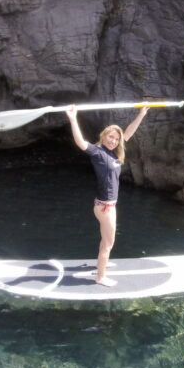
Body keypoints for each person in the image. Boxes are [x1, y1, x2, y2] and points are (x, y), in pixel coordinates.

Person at [66, 105, 149, 287]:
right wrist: (73, 118)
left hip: (107, 205)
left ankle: (101, 265)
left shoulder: (113, 153)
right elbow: (80, 142)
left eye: (116, 139)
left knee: (105, 240)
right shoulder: (98, 152)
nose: (113, 140)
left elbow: (128, 132)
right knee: (108, 243)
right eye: (110, 137)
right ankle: (100, 277)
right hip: (105, 207)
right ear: (103, 136)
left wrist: (141, 114)